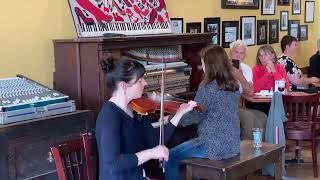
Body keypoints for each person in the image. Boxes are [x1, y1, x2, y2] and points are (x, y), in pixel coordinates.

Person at [95, 57, 197, 180]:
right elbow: (112, 164)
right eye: (139, 80)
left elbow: (155, 141)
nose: (145, 83)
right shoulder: (109, 116)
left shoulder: (136, 111)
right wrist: (151, 153)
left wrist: (179, 114)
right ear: (123, 86)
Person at [165, 45, 241, 179]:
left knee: (170, 157)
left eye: (202, 63)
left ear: (210, 65)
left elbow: (195, 116)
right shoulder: (233, 84)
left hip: (213, 146)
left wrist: (171, 118)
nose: (202, 66)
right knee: (191, 159)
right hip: (232, 144)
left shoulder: (208, 87)